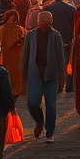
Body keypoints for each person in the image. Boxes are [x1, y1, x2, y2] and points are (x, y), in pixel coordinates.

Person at [20, 10, 67, 143]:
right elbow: (25, 55)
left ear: (50, 23)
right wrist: (23, 74)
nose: (44, 25)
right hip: (34, 72)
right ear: (38, 23)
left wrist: (62, 76)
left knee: (51, 105)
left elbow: (61, 57)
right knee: (32, 102)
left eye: (47, 23)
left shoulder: (56, 35)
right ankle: (39, 121)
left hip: (51, 74)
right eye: (41, 23)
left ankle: (50, 132)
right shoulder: (30, 35)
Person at [47, 0, 76, 93]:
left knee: (53, 63)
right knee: (68, 63)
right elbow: (73, 25)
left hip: (52, 39)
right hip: (67, 38)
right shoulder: (71, 9)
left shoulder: (47, 8)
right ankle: (68, 87)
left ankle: (56, 85)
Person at [0, 10, 27, 97]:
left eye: (15, 19)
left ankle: (15, 92)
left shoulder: (20, 30)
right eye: (11, 19)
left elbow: (26, 41)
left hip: (17, 57)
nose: (13, 21)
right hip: (5, 57)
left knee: (17, 75)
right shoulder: (1, 30)